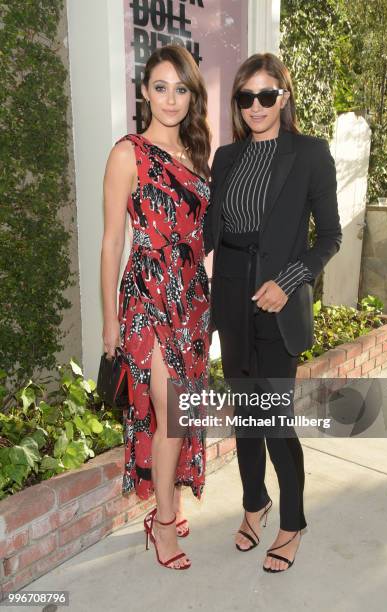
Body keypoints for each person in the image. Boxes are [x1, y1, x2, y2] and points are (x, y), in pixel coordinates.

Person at [204, 53, 342, 573]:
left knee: (275, 417)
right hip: (233, 293)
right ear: (238, 103)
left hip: (278, 300)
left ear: (283, 97)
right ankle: (253, 502)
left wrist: (286, 283)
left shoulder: (310, 154)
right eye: (246, 97)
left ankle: (292, 522)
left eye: (266, 95)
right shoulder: (226, 157)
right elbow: (213, 231)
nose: (256, 106)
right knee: (245, 414)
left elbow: (329, 237)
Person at [101, 44, 211, 570]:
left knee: (180, 411)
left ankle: (166, 502)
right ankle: (163, 522)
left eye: (181, 88)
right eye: (161, 87)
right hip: (147, 293)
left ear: (192, 95)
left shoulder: (197, 153)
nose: (171, 98)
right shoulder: (128, 153)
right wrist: (108, 323)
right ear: (144, 91)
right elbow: (110, 243)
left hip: (192, 297)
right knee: (168, 412)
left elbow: (203, 235)